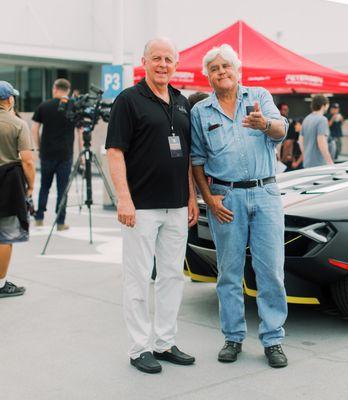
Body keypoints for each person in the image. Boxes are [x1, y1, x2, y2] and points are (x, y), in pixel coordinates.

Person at [190, 44, 289, 368]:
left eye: (226, 66)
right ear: (208, 75)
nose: (221, 72)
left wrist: (264, 125)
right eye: (215, 68)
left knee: (271, 271)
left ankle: (273, 339)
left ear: (237, 69)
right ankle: (233, 338)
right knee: (229, 274)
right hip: (226, 199)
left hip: (265, 194)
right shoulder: (200, 112)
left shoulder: (259, 96)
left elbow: (281, 130)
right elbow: (197, 160)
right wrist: (209, 198)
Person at [106, 38, 198, 374]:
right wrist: (124, 198)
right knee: (138, 278)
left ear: (177, 63)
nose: (162, 64)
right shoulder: (128, 100)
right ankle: (139, 348)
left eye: (168, 59)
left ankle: (164, 342)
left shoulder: (182, 102)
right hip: (141, 207)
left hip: (176, 207)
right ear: (144, 61)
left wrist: (190, 196)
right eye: (156, 58)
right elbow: (115, 152)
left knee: (172, 277)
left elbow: (187, 155)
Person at [0, 81, 35, 298]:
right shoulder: (17, 124)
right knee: (4, 236)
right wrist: (31, 186)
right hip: (6, 184)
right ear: (10, 99)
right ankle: (1, 284)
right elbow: (28, 161)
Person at [30, 78, 79, 231]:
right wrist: (81, 156)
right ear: (68, 91)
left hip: (47, 154)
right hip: (65, 155)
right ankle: (60, 222)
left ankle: (39, 218)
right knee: (62, 189)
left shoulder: (44, 106)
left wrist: (38, 148)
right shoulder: (73, 108)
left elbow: (34, 129)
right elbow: (80, 131)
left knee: (44, 186)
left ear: (55, 89)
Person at [299, 95, 334, 168]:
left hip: (307, 163)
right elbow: (321, 142)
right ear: (324, 105)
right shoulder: (322, 120)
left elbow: (300, 140)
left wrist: (306, 155)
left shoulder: (306, 119)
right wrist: (329, 162)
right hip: (319, 164)